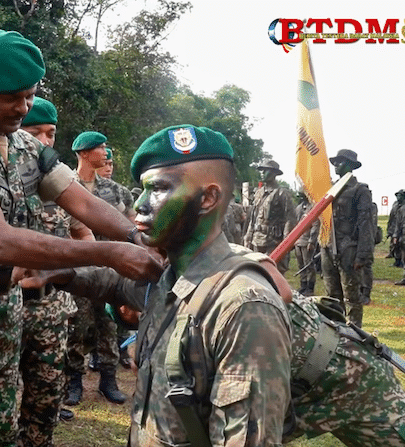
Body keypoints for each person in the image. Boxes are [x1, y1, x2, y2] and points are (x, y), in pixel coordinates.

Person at [0, 29, 162, 447]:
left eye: (29, 95)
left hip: (3, 313)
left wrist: (135, 235)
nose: (22, 108)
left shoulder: (25, 146)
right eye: (10, 98)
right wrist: (110, 253)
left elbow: (82, 201)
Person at [21, 124, 293, 445]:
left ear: (207, 198)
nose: (140, 205)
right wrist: (60, 273)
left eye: (159, 189)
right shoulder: (173, 274)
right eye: (144, 190)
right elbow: (115, 284)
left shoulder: (243, 307)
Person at [28, 253, 405, 447]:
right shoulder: (158, 304)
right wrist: (59, 272)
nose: (133, 306)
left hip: (348, 380)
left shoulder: (212, 297)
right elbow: (107, 281)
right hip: (291, 392)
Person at [15, 96, 93, 442]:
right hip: (5, 306)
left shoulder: (63, 187)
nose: (44, 142)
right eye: (35, 133)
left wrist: (86, 268)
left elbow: (84, 231)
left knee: (45, 399)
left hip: (51, 309)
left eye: (51, 134)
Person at [65, 130, 136, 406]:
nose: (106, 153)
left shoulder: (116, 191)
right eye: (101, 148)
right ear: (84, 153)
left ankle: (108, 380)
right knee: (77, 326)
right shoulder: (63, 185)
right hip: (78, 271)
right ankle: (73, 382)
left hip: (111, 271)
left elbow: (132, 225)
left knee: (107, 325)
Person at [320, 149, 373, 327]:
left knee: (351, 296)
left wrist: (362, 255)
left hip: (348, 248)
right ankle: (336, 329)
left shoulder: (360, 190)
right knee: (331, 295)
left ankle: (354, 333)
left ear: (350, 165)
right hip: (328, 246)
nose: (335, 165)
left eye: (340, 162)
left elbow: (366, 224)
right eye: (334, 162)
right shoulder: (329, 189)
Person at [243, 159, 295, 273]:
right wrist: (248, 235)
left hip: (273, 242)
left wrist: (286, 243)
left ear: (274, 173)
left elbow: (290, 218)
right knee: (257, 273)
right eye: (261, 170)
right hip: (256, 240)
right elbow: (253, 217)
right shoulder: (259, 193)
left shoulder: (281, 193)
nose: (262, 173)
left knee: (273, 274)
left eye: (265, 170)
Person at [293, 191, 320, 296]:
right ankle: (303, 285)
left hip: (307, 240)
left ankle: (310, 287)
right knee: (301, 265)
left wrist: (311, 241)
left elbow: (315, 224)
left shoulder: (313, 207)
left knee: (309, 265)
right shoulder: (299, 208)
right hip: (298, 240)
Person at [388, 189, 405, 267]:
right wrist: (389, 229)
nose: (398, 197)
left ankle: (402, 262)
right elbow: (391, 217)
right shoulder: (395, 204)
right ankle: (397, 261)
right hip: (394, 228)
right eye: (397, 195)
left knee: (401, 246)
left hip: (402, 229)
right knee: (394, 246)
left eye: (400, 195)